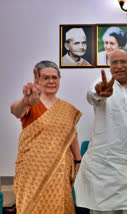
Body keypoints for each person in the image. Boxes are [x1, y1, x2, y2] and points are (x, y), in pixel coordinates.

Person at [74, 49, 127, 214]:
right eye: (114, 62)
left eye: (123, 62)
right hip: (105, 166)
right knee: (104, 209)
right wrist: (99, 92)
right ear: (109, 66)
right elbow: (92, 95)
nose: (119, 66)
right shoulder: (102, 84)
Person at [10, 60, 82, 213]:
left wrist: (78, 159)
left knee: (60, 206)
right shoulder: (31, 103)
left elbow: (72, 134)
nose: (51, 81)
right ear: (38, 80)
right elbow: (15, 111)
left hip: (60, 169)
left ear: (59, 80)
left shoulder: (67, 108)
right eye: (46, 78)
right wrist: (24, 101)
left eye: (54, 77)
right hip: (32, 170)